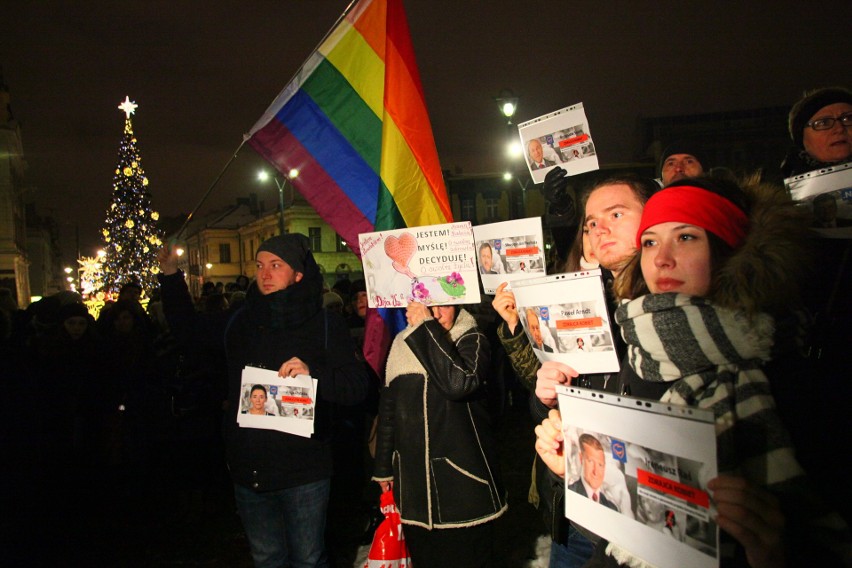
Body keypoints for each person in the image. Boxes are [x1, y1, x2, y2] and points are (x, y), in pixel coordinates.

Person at [536, 174, 851, 566]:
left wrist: (778, 551)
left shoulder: (787, 372)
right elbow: (627, 518)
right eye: (651, 242)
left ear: (728, 249)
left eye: (686, 237)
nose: (662, 258)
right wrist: (574, 468)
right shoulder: (642, 350)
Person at [157, 234, 369, 568]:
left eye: (276, 265)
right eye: (259, 265)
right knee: (266, 558)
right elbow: (189, 331)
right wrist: (170, 275)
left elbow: (357, 386)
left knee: (308, 560)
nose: (265, 274)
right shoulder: (241, 319)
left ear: (298, 274)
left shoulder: (325, 323)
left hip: (305, 470)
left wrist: (313, 376)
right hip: (250, 468)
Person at [493, 173, 658, 567]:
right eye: (590, 224)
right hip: (574, 515)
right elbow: (549, 408)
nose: (599, 229)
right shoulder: (580, 310)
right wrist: (546, 395)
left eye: (616, 214)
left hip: (644, 531)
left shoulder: (673, 312)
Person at [372, 301, 507, 568]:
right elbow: (389, 410)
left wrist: (425, 328)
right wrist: (385, 467)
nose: (435, 313)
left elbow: (459, 383)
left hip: (464, 485)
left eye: (443, 305)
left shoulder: (472, 337)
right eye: (426, 306)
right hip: (414, 489)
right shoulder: (401, 342)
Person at [781, 86, 852, 177]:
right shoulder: (776, 189)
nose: (839, 128)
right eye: (824, 123)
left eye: (848, 118)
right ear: (801, 137)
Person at [566, 434, 616, 511]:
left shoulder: (612, 508)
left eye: (600, 465)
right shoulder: (567, 493)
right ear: (581, 458)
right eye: (591, 462)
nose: (595, 472)